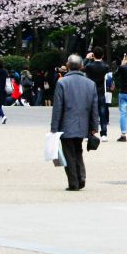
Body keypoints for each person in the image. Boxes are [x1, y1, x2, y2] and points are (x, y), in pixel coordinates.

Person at [50, 54, 99, 191]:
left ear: (67, 66)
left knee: (69, 153)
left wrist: (54, 128)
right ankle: (81, 177)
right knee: (78, 151)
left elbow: (58, 107)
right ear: (82, 66)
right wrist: (94, 126)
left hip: (66, 124)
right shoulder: (90, 84)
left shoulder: (62, 83)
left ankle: (74, 182)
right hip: (83, 124)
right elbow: (94, 107)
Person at [84, 49, 110, 138]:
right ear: (102, 56)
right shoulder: (105, 66)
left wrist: (87, 58)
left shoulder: (89, 66)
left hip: (90, 91)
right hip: (101, 92)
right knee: (102, 113)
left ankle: (90, 133)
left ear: (93, 55)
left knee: (89, 113)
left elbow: (81, 67)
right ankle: (104, 133)